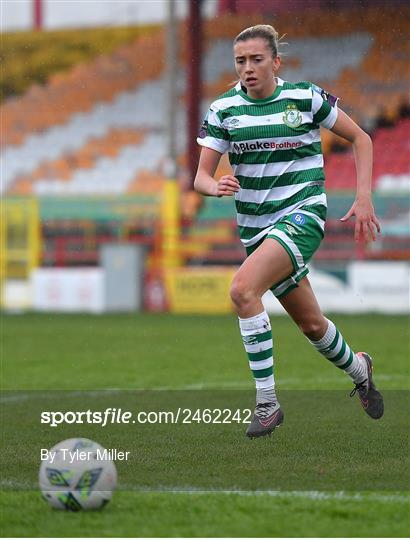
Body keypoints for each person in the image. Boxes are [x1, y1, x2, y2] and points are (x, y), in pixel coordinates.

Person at [194, 24, 384, 438]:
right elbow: (200, 178)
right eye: (240, 61)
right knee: (313, 326)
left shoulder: (304, 97)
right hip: (256, 231)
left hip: (302, 216)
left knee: (243, 290)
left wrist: (363, 195)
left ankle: (267, 403)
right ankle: (360, 369)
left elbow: (361, 137)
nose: (247, 68)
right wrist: (216, 185)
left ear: (276, 62)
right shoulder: (224, 110)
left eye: (256, 59)